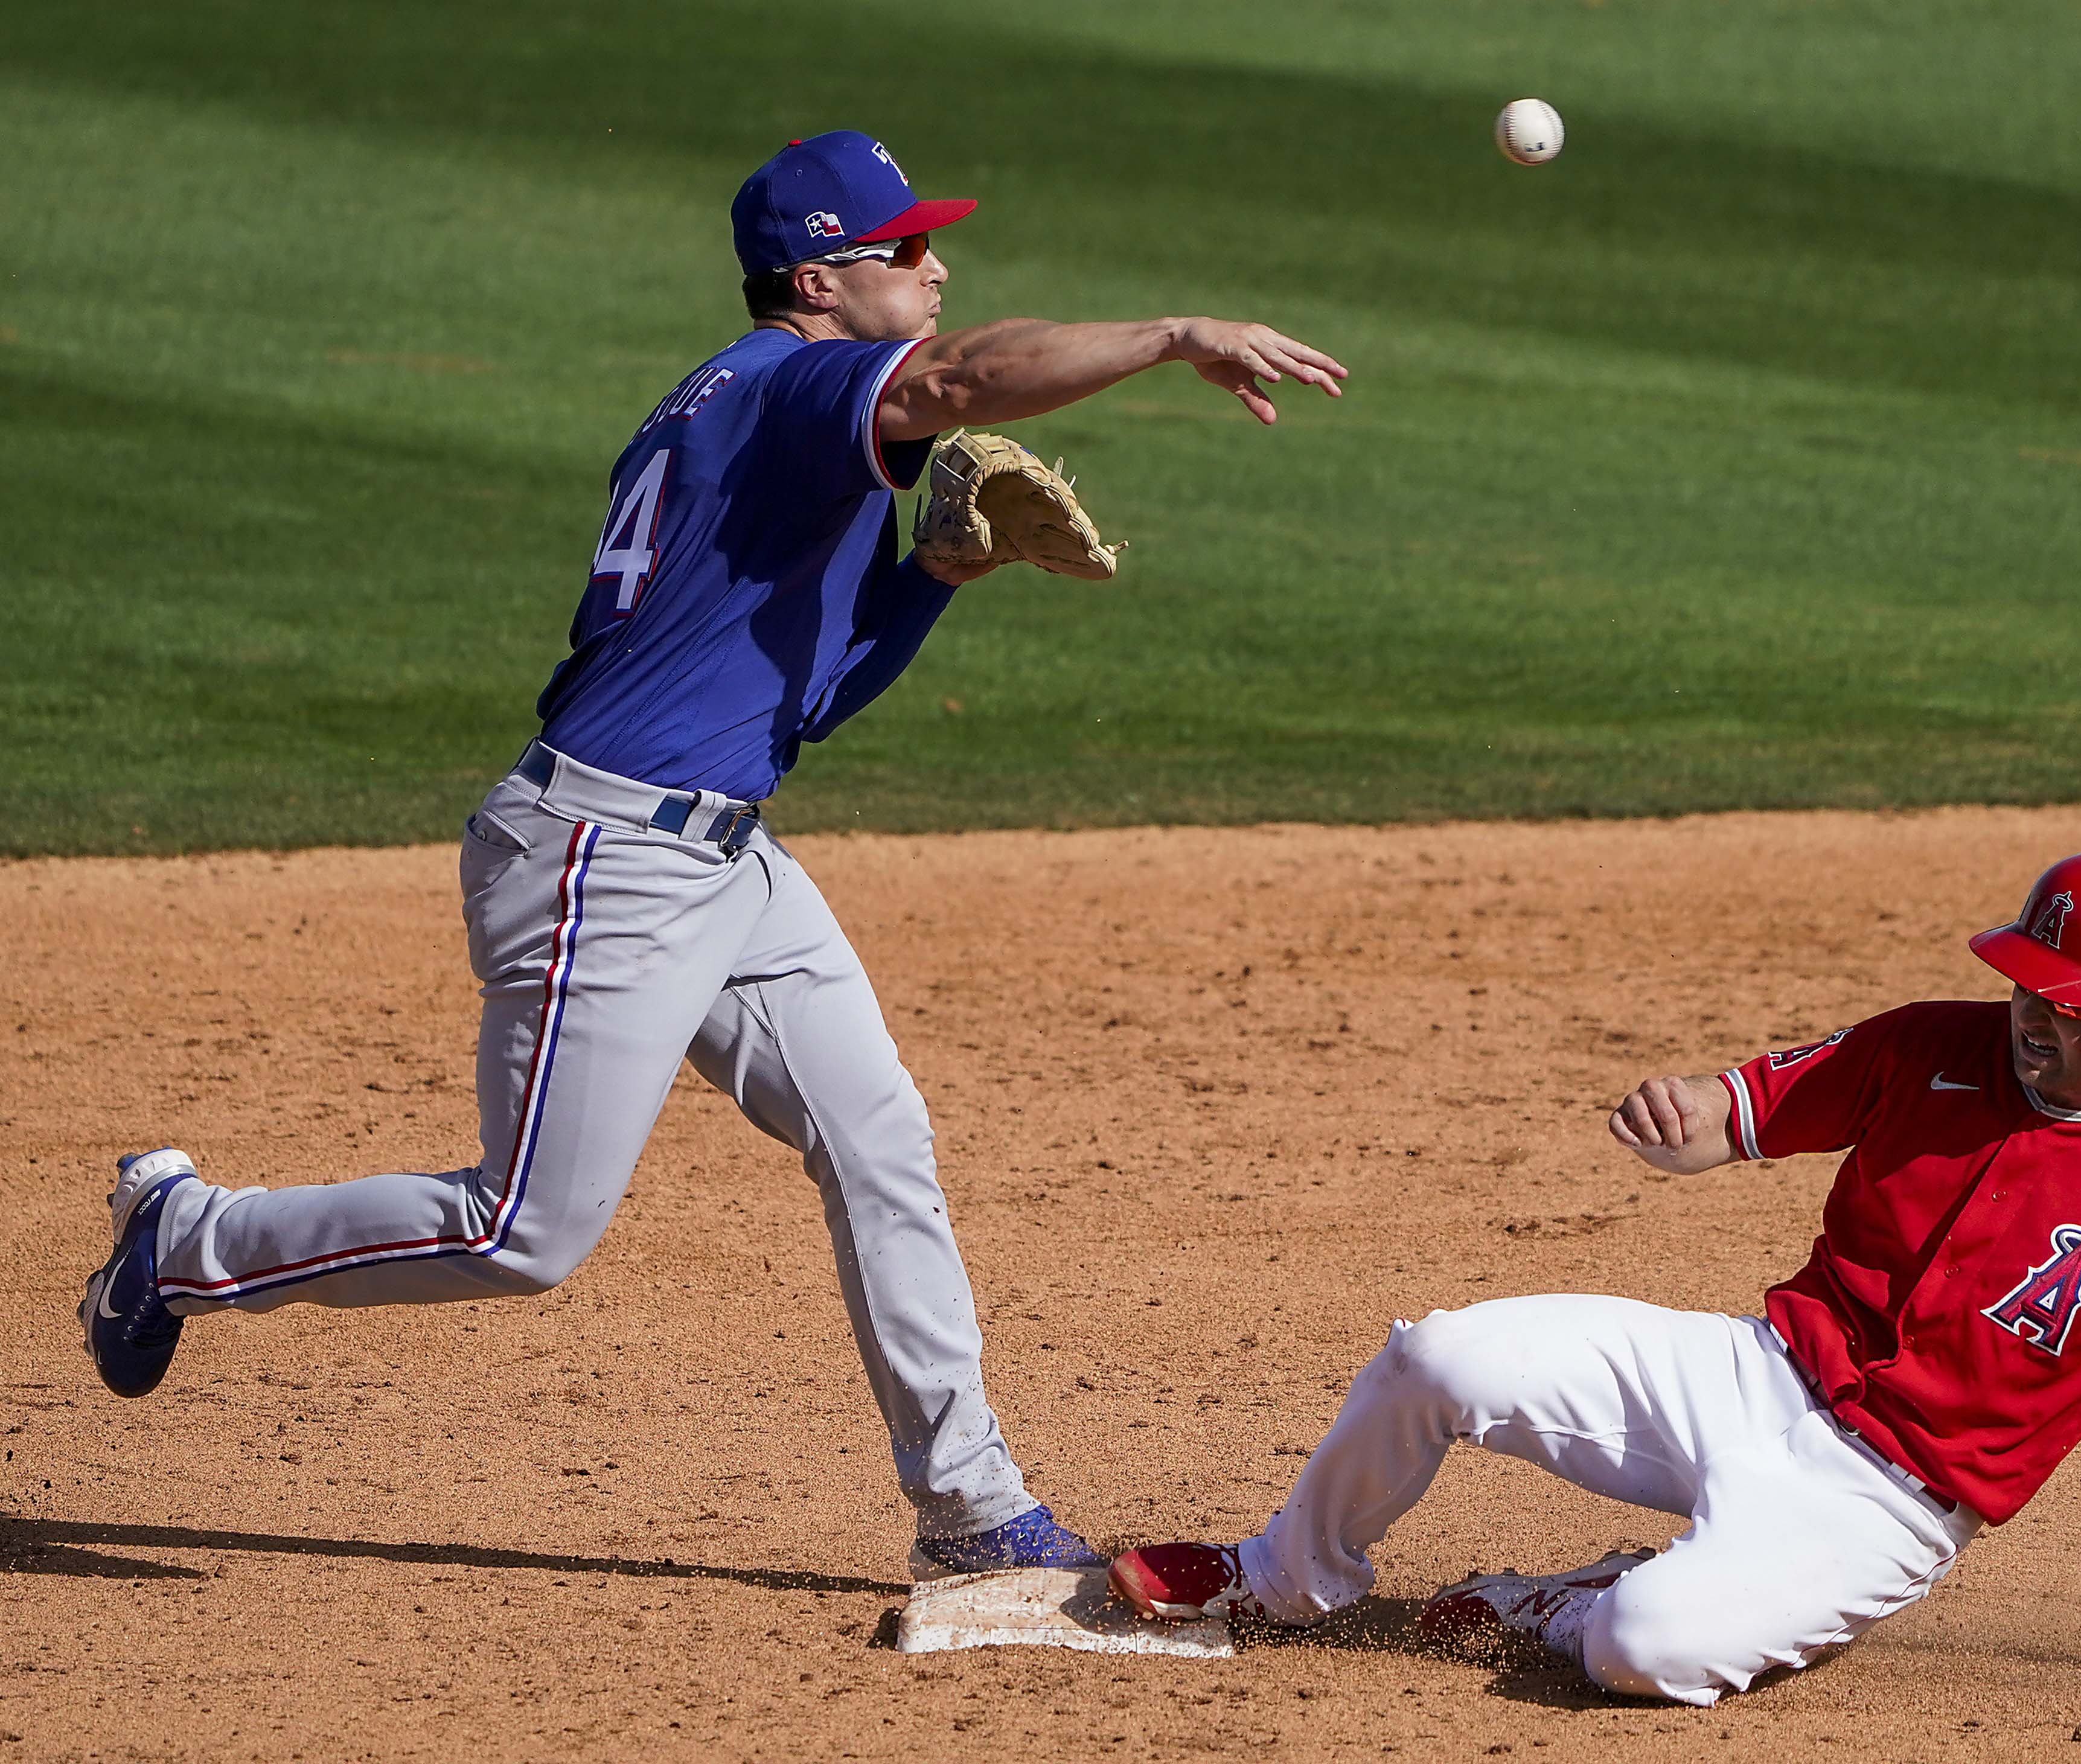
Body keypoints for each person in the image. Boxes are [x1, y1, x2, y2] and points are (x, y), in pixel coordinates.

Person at [78, 129, 1345, 1580]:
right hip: (602, 856)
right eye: (907, 253)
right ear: (817, 279)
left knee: (880, 1145)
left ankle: (972, 1509)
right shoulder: (792, 388)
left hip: (725, 857)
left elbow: (801, 704)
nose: (937, 271)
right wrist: (1177, 332)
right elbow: (959, 378)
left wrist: (933, 574)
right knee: (520, 1231)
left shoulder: (754, 421)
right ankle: (183, 1240)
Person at [1111, 849, 2081, 1704]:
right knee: (1439, 1355)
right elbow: (1733, 1115)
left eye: (2062, 1000)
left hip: (1888, 1507)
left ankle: (1569, 1603)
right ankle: (1280, 1579)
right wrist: (1674, 1121)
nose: (2026, 1009)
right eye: (2024, 980)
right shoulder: (1931, 1045)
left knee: (1643, 1649)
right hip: (1755, 1378)